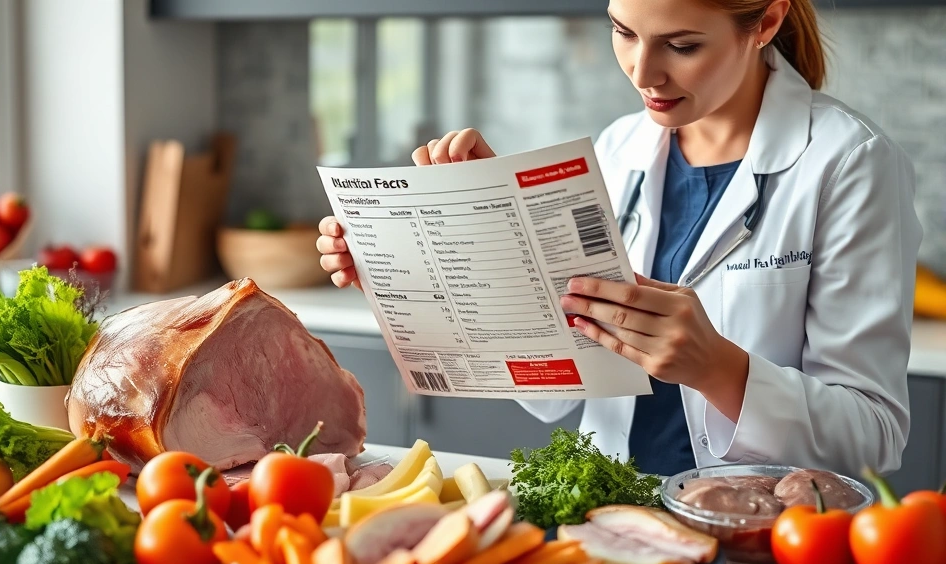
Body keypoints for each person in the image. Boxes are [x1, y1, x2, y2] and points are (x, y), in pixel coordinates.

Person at [316, 0, 922, 478]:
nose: (641, 71)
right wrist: (442, 258)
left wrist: (718, 369)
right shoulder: (618, 149)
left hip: (756, 536)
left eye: (681, 45)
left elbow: (872, 436)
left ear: (765, 21)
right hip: (610, 513)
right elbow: (559, 387)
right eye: (623, 31)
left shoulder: (849, 164)